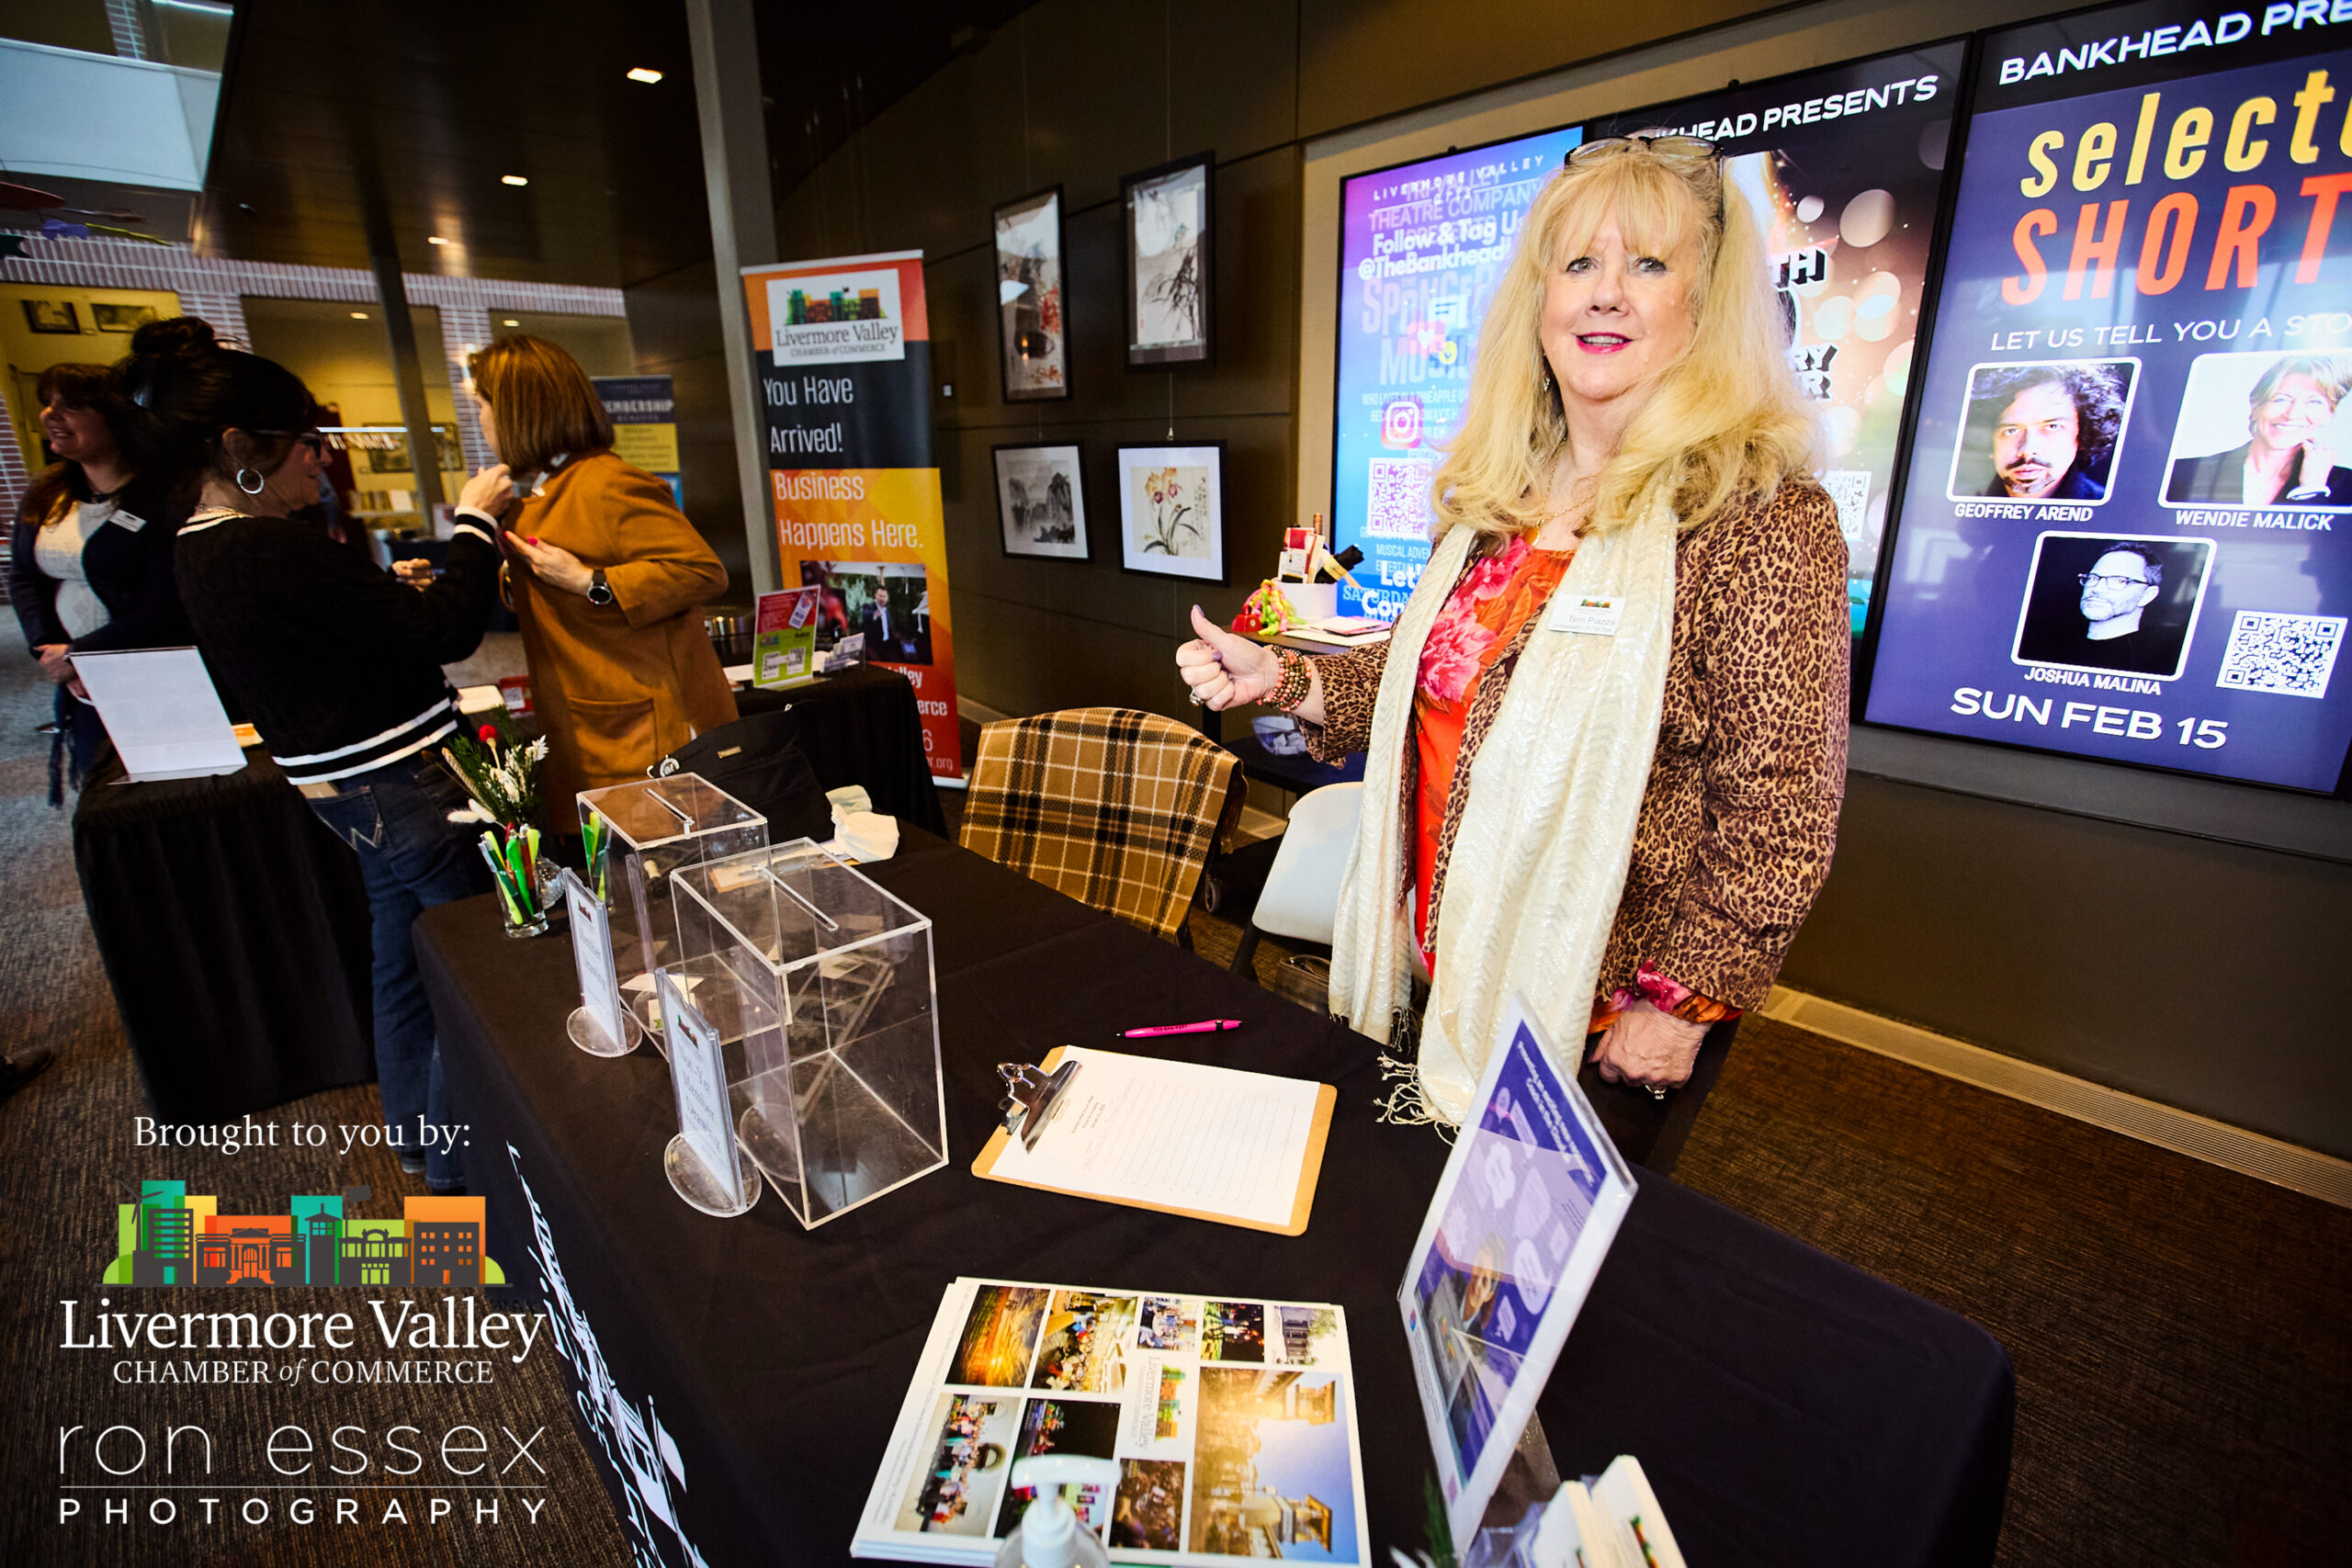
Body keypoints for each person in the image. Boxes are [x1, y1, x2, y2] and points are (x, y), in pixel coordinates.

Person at [1177, 134, 1848, 1133]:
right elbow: (1429, 679)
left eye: (1647, 264)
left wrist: (1677, 1005)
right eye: (1577, 264)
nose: (1605, 294)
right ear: (1538, 302)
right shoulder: (1496, 504)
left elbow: (1780, 806)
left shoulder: (1758, 518)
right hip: (1436, 962)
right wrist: (1278, 675)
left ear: (1704, 306)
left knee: (1519, 1233)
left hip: (1598, 1008)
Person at [127, 317, 505, 1193]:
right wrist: (475, 525)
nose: (319, 459)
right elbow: (446, 631)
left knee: (402, 958)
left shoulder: (199, 549)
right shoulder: (273, 547)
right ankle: (456, 1174)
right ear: (238, 447)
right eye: (304, 441)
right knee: (475, 966)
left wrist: (375, 600)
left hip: (342, 793)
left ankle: (416, 1140)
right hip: (410, 784)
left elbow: (325, 639)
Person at [441, 335, 735, 808]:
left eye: (481, 406)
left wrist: (590, 582)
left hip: (644, 736)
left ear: (516, 410)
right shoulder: (545, 490)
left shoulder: (605, 484)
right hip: (588, 721)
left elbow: (701, 571)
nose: (479, 420)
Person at [9, 362, 195, 802]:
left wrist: (84, 654)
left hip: (156, 672)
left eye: (71, 406)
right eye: (47, 403)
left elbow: (171, 600)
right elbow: (24, 577)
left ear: (117, 416)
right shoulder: (46, 492)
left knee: (173, 794)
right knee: (105, 794)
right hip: (78, 678)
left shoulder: (166, 496)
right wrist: (50, 650)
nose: (50, 415)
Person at [2165, 355, 2352, 507]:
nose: (2292, 414)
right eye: (2281, 399)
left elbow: (2317, 542)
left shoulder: (2345, 485)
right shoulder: (2183, 472)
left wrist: (2312, 489)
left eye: (2314, 402)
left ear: (2329, 414)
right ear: (2256, 407)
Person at [2016, 539, 2190, 676]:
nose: (2097, 588)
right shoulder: (2044, 647)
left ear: (2148, 595)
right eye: (2093, 578)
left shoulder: (2156, 663)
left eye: (2120, 581)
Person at [1973, 362, 2126, 502]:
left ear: (2083, 434)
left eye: (2052, 427)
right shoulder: (1965, 503)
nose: (2028, 450)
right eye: (2011, 431)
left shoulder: (2115, 512)